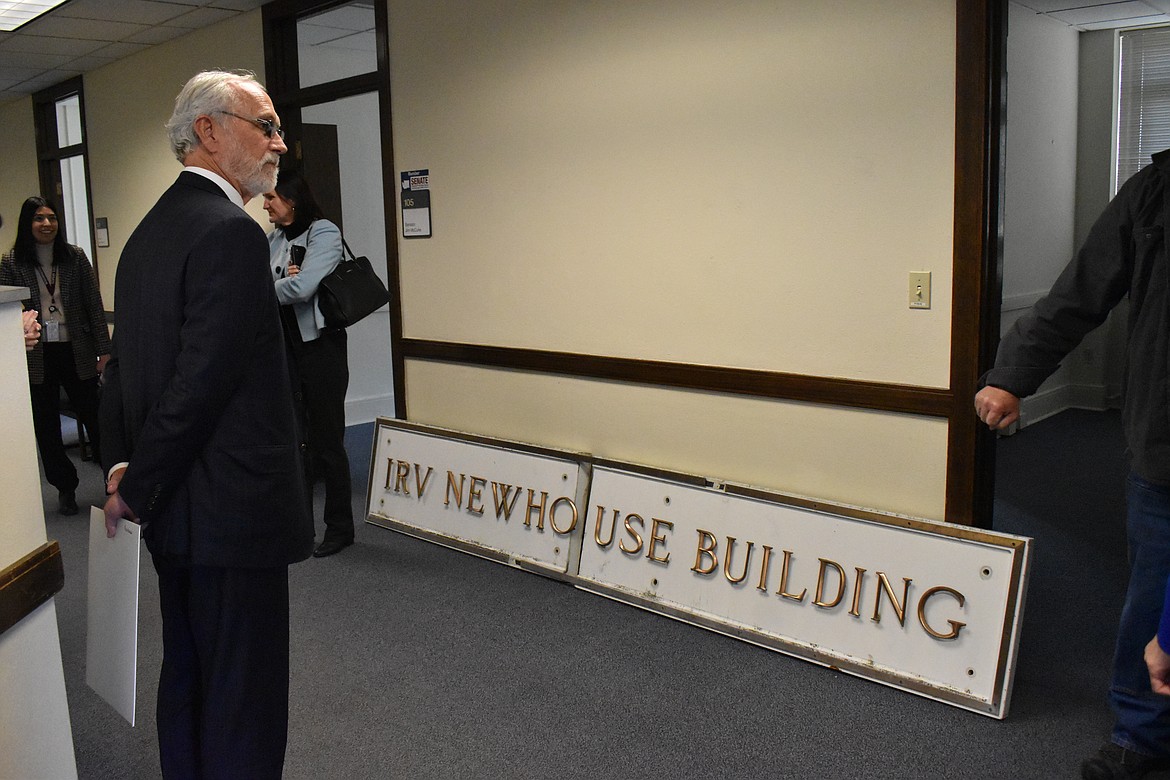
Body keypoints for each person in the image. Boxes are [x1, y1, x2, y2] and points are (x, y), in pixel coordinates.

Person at [100, 70, 312, 778]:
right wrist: (139, 482)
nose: (279, 144)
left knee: (189, 678)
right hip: (232, 516)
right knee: (242, 700)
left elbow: (123, 374)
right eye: (267, 125)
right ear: (210, 131)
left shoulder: (147, 235)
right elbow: (202, 383)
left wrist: (127, 471)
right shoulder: (230, 233)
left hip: (176, 513)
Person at [975, 148, 1170, 780]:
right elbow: (1079, 292)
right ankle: (1140, 735)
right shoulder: (1157, 190)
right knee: (1154, 591)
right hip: (1165, 443)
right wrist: (1013, 377)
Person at [263, 171, 354, 558]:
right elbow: (279, 285)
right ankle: (301, 527)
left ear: (291, 200)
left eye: (270, 198)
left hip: (321, 351)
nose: (264, 204)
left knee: (328, 443)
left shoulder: (324, 232)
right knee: (295, 442)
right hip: (285, 350)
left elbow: (303, 288)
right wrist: (285, 282)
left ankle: (340, 528)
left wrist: (276, 285)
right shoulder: (274, 239)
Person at [0, 196, 110, 515]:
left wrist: (104, 350)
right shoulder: (11, 261)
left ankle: (112, 478)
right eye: (39, 218)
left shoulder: (74, 257)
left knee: (97, 417)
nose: (47, 224)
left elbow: (93, 304)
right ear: (27, 223)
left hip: (76, 349)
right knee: (46, 425)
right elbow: (10, 313)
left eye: (51, 217)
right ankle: (65, 486)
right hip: (37, 354)